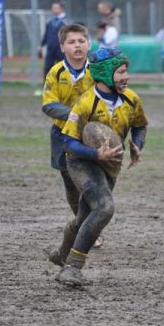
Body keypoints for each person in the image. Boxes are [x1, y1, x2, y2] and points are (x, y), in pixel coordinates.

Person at [49, 47, 148, 286]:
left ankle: (61, 255)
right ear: (104, 73)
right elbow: (69, 141)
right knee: (104, 207)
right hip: (82, 162)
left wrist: (136, 144)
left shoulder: (131, 99)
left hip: (109, 164)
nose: (126, 77)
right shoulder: (85, 104)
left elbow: (140, 125)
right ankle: (71, 268)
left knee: (84, 216)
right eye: (121, 72)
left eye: (127, 72)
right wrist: (95, 154)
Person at [42, 23, 94, 243]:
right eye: (72, 42)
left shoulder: (98, 70)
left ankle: (91, 226)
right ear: (63, 47)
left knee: (91, 183)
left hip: (91, 135)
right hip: (62, 135)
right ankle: (83, 223)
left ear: (88, 44)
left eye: (81, 41)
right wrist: (75, 115)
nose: (77, 46)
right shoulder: (55, 72)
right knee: (71, 183)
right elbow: (49, 104)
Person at [39, 1, 70, 78]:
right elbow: (46, 35)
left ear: (61, 9)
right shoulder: (50, 21)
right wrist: (41, 45)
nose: (53, 9)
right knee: (47, 68)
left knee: (63, 67)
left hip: (61, 49)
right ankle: (47, 87)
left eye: (55, 8)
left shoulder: (67, 22)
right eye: (52, 8)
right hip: (50, 48)